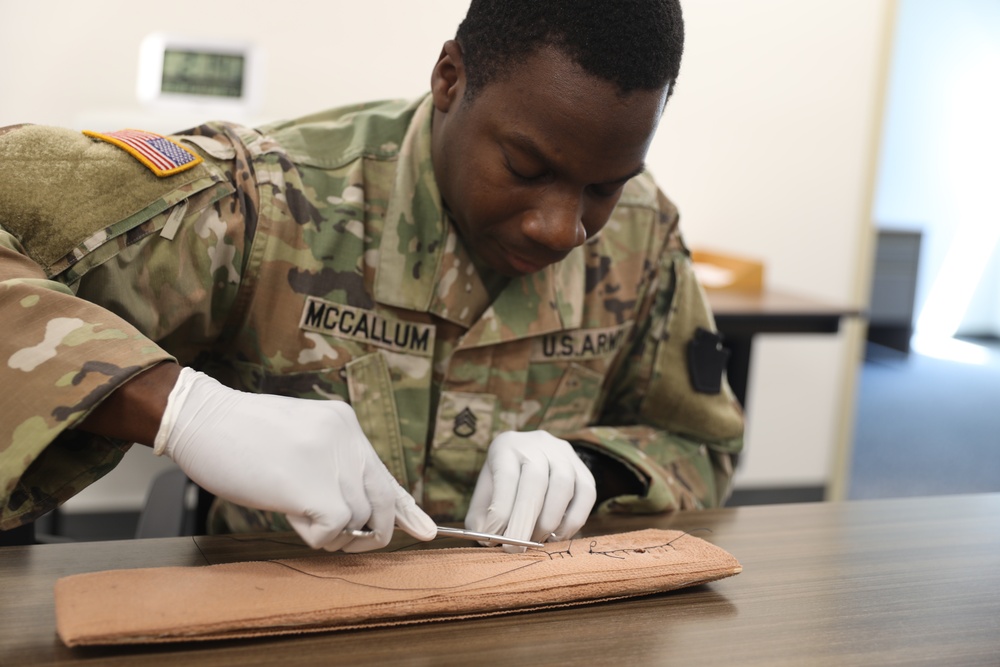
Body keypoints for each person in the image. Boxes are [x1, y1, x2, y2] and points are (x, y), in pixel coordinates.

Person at [0, 0, 744, 553]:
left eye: (603, 187)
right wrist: (179, 409)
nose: (562, 227)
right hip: (290, 621)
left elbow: (703, 445)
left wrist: (595, 467)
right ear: (450, 78)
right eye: (526, 167)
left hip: (535, 628)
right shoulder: (271, 202)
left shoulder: (646, 233)